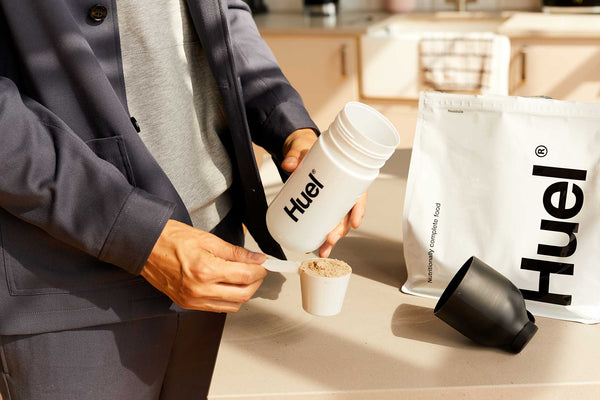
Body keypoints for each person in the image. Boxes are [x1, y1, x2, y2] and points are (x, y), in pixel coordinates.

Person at [0, 1, 366, 399]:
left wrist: (290, 127)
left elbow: (224, 15)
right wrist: (134, 232)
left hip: (215, 245)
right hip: (67, 275)